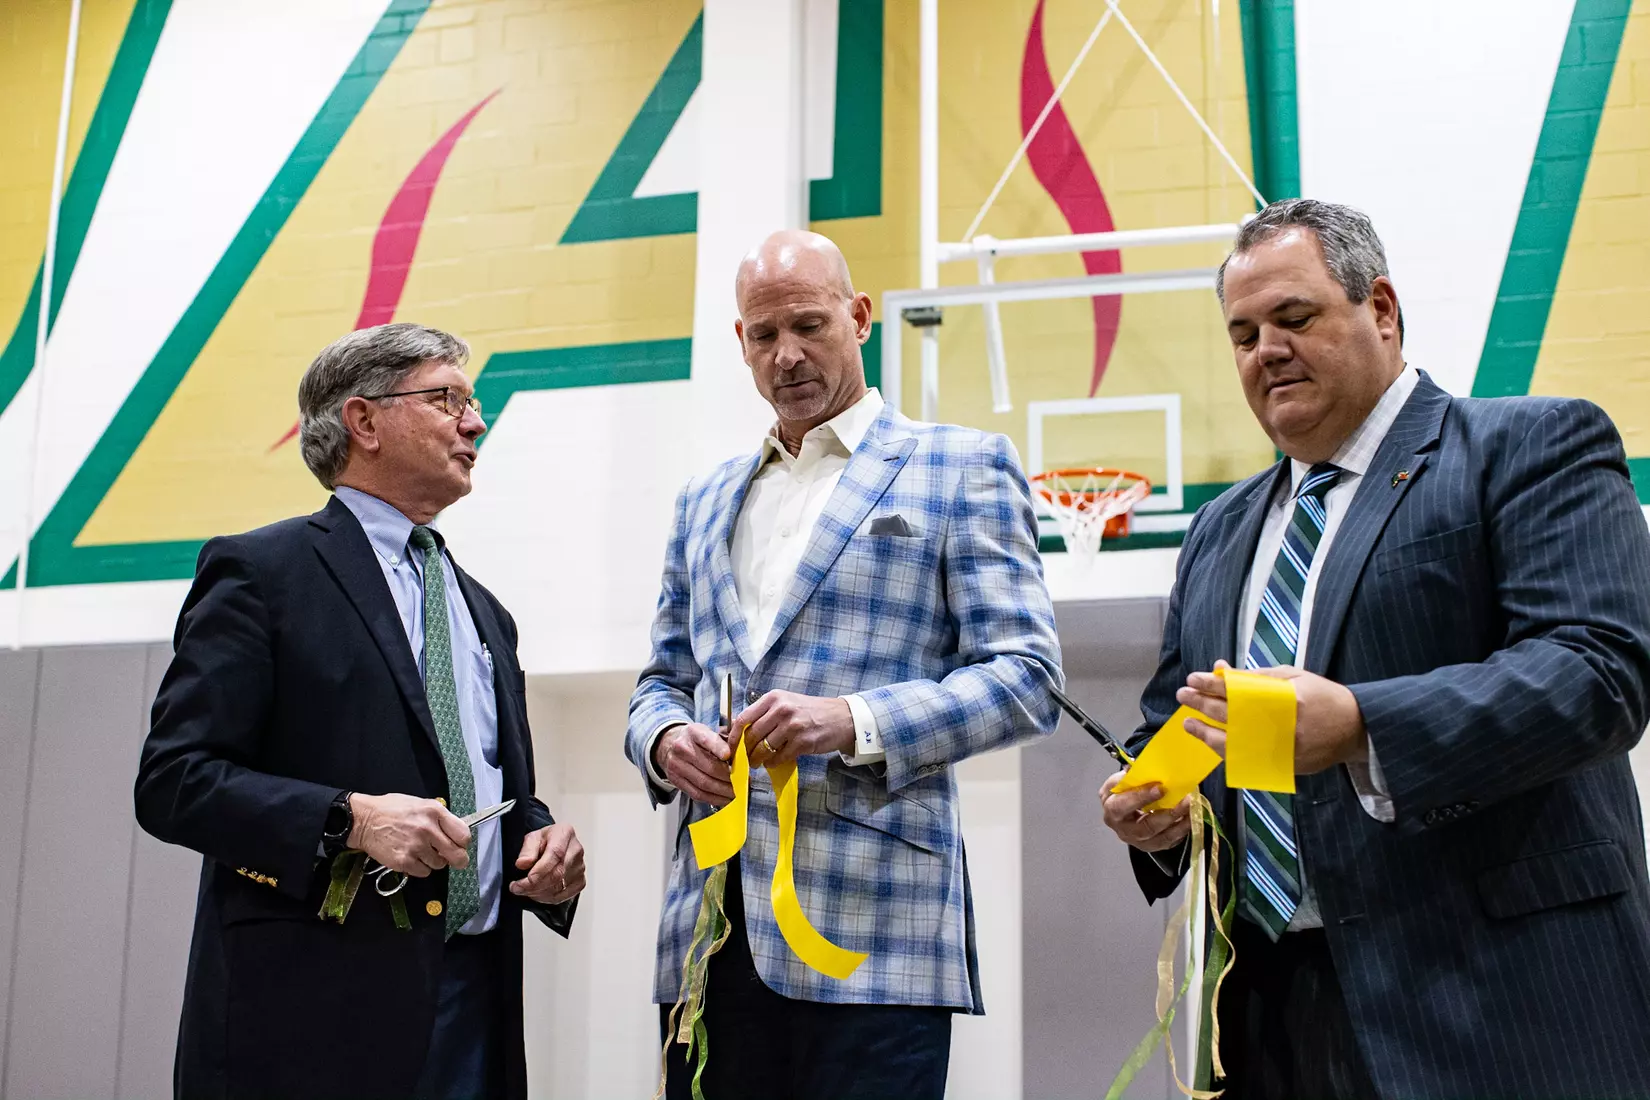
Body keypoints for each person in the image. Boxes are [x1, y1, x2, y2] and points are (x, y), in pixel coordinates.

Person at [1100, 198, 1650, 1098]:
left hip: (1494, 996)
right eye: (1243, 334)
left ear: (1382, 310)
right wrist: (1157, 810)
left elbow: (1600, 674)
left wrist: (1362, 725)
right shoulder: (1218, 530)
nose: (1267, 350)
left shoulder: (1530, 444)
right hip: (1269, 1009)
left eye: (1294, 317)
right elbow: (1179, 719)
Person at [626, 229, 1062, 1099]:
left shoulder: (961, 466)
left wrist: (851, 721)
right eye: (763, 334)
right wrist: (664, 740)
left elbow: (1026, 677)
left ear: (860, 318)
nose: (786, 354)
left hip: (877, 934)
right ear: (740, 342)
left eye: (809, 325)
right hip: (708, 939)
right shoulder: (702, 499)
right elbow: (661, 681)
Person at [134, 323, 586, 1100]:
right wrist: (350, 819)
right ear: (364, 420)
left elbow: (494, 786)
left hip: (474, 1005)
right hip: (311, 1018)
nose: (476, 423)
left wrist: (541, 844)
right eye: (448, 400)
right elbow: (174, 781)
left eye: (472, 404)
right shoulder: (262, 572)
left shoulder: (489, 614)